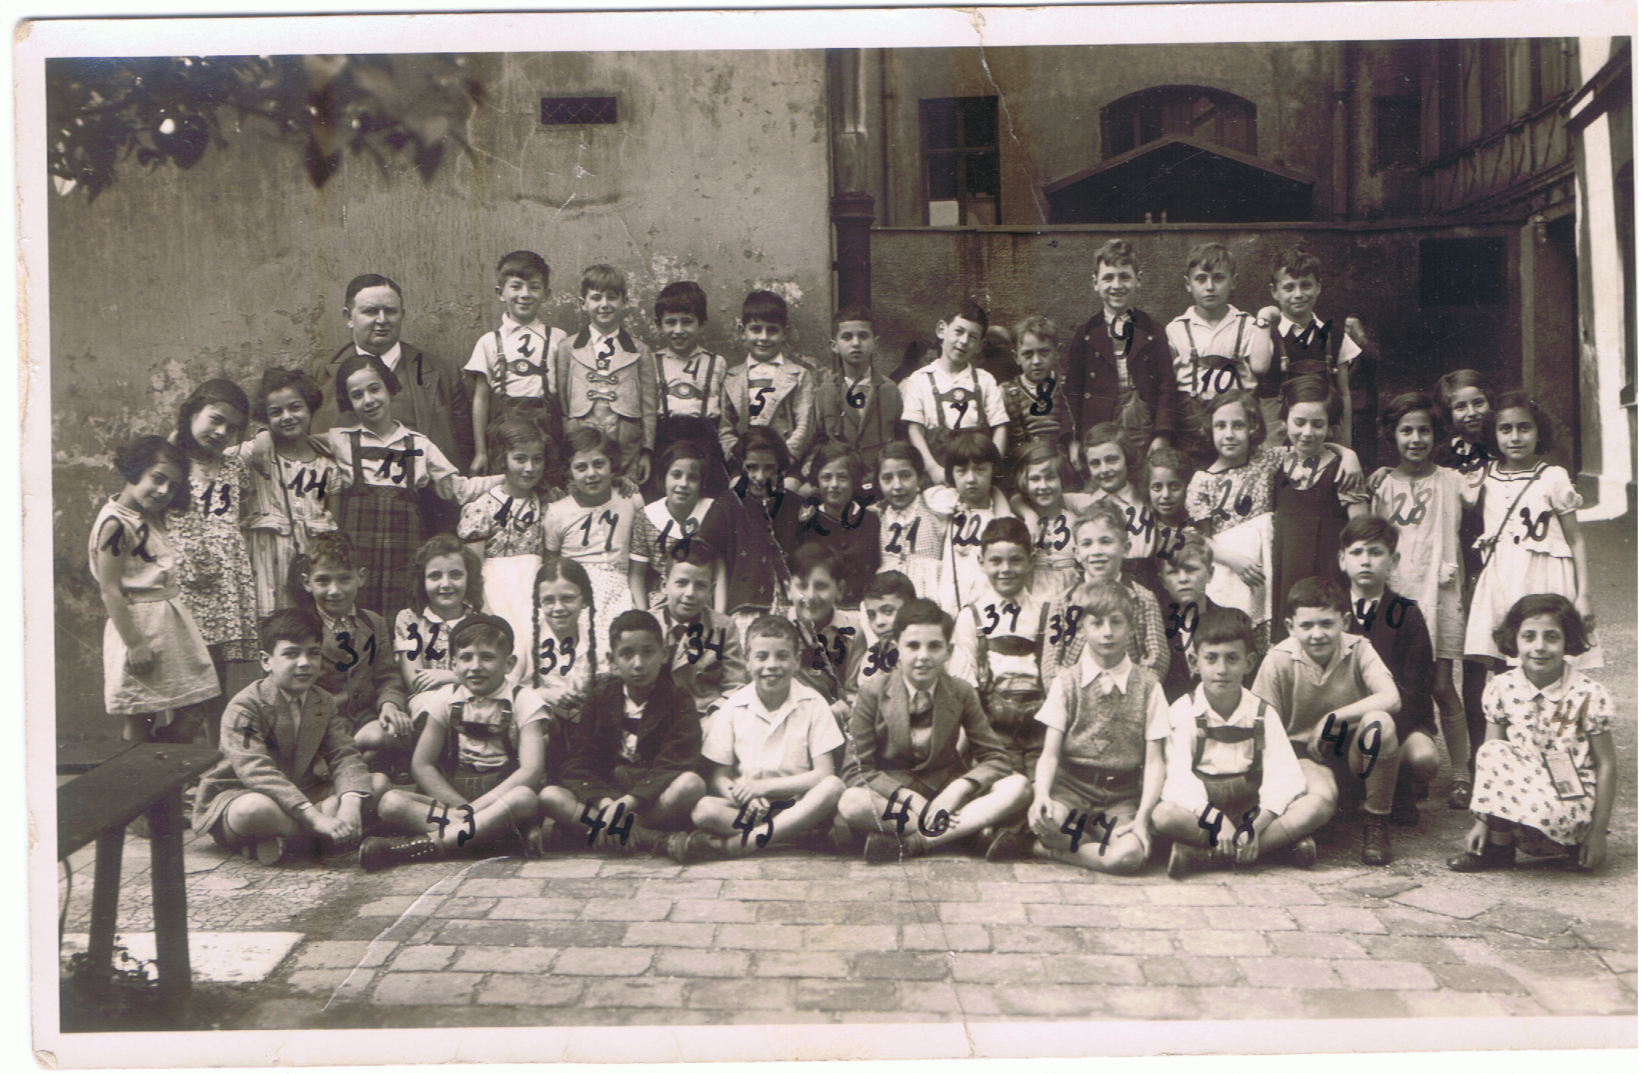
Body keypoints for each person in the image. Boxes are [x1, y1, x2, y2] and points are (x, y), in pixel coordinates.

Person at [838, 598, 1030, 863]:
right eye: (913, 646)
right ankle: (962, 832)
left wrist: (959, 789)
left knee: (1019, 786)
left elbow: (996, 758)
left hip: (946, 796)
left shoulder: (961, 692)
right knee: (851, 802)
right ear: (896, 648)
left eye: (934, 646)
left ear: (948, 651)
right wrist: (909, 799)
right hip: (897, 803)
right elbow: (855, 769)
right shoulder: (873, 692)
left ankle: (917, 842)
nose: (923, 656)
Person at [193, 609, 385, 865]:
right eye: (291, 654)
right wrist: (315, 817)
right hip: (250, 792)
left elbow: (343, 753)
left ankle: (290, 841)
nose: (304, 663)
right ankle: (318, 840)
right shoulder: (246, 706)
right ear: (266, 661)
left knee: (377, 783)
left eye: (313, 653)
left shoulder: (322, 700)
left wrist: (350, 803)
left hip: (307, 792)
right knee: (252, 810)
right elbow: (256, 771)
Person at [360, 614, 548, 870]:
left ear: (509, 663)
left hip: (502, 798)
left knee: (524, 798)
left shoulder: (524, 700)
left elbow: (531, 771)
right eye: (466, 657)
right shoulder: (445, 698)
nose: (475, 666)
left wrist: (476, 808)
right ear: (453, 664)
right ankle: (496, 838)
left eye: (487, 657)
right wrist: (462, 807)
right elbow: (422, 765)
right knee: (391, 802)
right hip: (453, 801)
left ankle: (419, 846)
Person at [1449, 594, 1616, 873]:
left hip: (1568, 806)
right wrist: (1482, 822)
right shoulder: (1502, 687)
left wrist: (1598, 833)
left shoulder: (1589, 693)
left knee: (1556, 799)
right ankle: (1499, 848)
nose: (1539, 647)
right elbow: (1491, 763)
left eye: (1551, 637)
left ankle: (1574, 847)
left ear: (1568, 640)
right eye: (1529, 636)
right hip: (1519, 803)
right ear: (1514, 640)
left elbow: (1607, 764)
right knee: (1492, 750)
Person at [320, 352, 489, 622]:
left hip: (404, 553)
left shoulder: (419, 445)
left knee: (402, 618)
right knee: (358, 621)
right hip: (358, 555)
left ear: (389, 387)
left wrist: (507, 480)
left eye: (375, 389)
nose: (368, 400)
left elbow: (458, 489)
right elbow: (295, 442)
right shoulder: (339, 441)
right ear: (348, 402)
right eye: (357, 395)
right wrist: (263, 436)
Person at [1154, 605, 1322, 877]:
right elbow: (1177, 780)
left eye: (1232, 658)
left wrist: (1257, 823)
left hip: (1251, 810)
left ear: (1249, 663)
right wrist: (1215, 820)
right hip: (1204, 815)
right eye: (1211, 659)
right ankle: (1274, 850)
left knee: (1315, 805)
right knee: (1163, 815)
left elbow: (1285, 776)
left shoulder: (1262, 712)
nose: (1221, 669)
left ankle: (1207, 856)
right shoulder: (1183, 711)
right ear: (1195, 662)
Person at [669, 615, 847, 862]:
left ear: (796, 661)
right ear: (747, 661)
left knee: (833, 787)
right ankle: (791, 834)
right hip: (753, 808)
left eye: (782, 656)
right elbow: (719, 777)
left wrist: (763, 787)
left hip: (799, 803)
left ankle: (747, 842)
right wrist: (742, 796)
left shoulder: (813, 703)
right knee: (704, 810)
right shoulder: (733, 707)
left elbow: (823, 774)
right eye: (761, 657)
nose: (771, 665)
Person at [1252, 577, 1402, 865]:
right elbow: (1262, 727)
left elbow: (1391, 697)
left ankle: (1376, 822)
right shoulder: (1278, 659)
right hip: (1304, 755)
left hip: (1351, 752)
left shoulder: (1359, 648)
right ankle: (1268, 843)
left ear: (1344, 621)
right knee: (1322, 799)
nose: (1317, 634)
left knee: (1380, 723)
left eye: (1326, 624)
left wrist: (1332, 718)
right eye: (1307, 626)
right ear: (1290, 627)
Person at [312, 274, 471, 540]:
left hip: (427, 522)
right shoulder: (319, 375)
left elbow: (464, 450)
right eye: (370, 311)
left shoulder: (440, 372)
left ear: (403, 315)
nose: (382, 320)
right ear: (348, 317)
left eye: (391, 311)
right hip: (344, 520)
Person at [1026, 581, 1170, 874]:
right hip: (1070, 788)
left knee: (1129, 856)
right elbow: (1050, 754)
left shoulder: (1149, 686)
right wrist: (1041, 795)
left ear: (1131, 628)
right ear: (1081, 629)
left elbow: (1155, 761)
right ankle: (1079, 844)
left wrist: (1142, 818)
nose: (1107, 632)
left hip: (1120, 796)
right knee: (1048, 822)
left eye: (1116, 622)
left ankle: (1058, 851)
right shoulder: (1066, 682)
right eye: (1097, 623)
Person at [1367, 393, 1468, 797]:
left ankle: (1461, 774)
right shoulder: (1382, 485)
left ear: (1436, 434)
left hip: (1439, 593)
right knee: (1397, 682)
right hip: (1399, 598)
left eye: (1424, 430)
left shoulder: (1452, 480)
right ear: (1392, 435)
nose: (1415, 439)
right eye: (1406, 430)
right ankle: (1399, 774)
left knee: (1442, 686)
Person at [539, 610, 707, 852]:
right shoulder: (599, 698)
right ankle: (652, 839)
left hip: (651, 802)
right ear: (612, 659)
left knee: (691, 784)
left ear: (663, 654)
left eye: (648, 652)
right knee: (550, 796)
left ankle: (601, 831)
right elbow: (579, 761)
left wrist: (625, 806)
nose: (638, 664)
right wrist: (606, 804)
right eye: (627, 654)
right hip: (608, 796)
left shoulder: (678, 698)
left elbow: (677, 761)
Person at [91, 435, 219, 744]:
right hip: (140, 627)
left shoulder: (148, 514)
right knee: (142, 714)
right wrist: (135, 644)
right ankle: (138, 770)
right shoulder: (116, 524)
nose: (164, 491)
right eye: (157, 479)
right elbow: (109, 590)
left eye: (172, 486)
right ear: (136, 469)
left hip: (169, 625)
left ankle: (164, 758)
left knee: (196, 705)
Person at [1463, 392, 1599, 673]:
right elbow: (1437, 479)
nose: (1515, 437)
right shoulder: (1482, 475)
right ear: (1494, 433)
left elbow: (1575, 538)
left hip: (1546, 577)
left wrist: (1583, 595)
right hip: (1502, 578)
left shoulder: (1553, 477)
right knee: (1507, 657)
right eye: (1505, 429)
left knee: (1550, 655)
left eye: (1524, 428)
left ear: (1539, 432)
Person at [1339, 515, 1444, 830]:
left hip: (1396, 722)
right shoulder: (1332, 611)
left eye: (1376, 552)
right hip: (1344, 721)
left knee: (1425, 757)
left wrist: (1385, 736)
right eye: (1357, 552)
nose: (1366, 561)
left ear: (1393, 560)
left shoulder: (1406, 613)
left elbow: (1416, 690)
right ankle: (1352, 789)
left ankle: (1397, 787)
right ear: (1342, 559)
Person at [1431, 369, 1496, 809]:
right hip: (1465, 569)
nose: (1471, 412)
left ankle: (1512, 761)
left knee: (1507, 668)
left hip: (1504, 566)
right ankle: (1474, 764)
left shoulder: (1508, 444)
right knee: (1472, 676)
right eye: (1460, 405)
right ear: (1448, 412)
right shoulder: (1442, 458)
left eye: (1478, 402)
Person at [167, 379, 260, 681]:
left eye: (231, 428)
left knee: (215, 676)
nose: (221, 432)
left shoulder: (233, 468)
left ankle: (216, 715)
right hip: (182, 585)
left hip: (222, 589)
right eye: (215, 420)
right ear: (192, 412)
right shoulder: (168, 464)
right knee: (181, 673)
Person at [294, 531, 411, 768]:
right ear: (307, 583)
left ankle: (346, 757)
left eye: (344, 579)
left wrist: (389, 705)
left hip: (365, 723)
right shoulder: (300, 627)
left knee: (395, 732)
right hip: (320, 725)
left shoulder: (374, 623)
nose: (334, 590)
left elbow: (388, 677)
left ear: (361, 577)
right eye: (323, 581)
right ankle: (353, 759)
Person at [1268, 374, 1369, 644]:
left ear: (1330, 425)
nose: (1307, 432)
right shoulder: (1275, 464)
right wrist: (1346, 450)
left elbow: (1362, 531)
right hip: (1288, 571)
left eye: (1318, 424)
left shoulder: (1343, 469)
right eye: (1299, 422)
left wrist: (1347, 454)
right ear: (1285, 420)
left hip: (1329, 573)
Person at [1063, 239, 1179, 462]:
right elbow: (1072, 391)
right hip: (1099, 426)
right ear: (1095, 283)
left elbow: (1166, 386)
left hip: (1142, 425)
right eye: (1108, 278)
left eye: (1125, 277)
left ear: (1138, 280)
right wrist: (1073, 439)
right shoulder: (1085, 333)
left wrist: (1162, 435)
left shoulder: (1153, 330)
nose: (1116, 285)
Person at [1254, 247, 1378, 455]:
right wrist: (1264, 319)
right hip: (1277, 442)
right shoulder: (1265, 334)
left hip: (1323, 439)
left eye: (1306, 285)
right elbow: (1257, 370)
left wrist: (1346, 444)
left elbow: (1344, 393)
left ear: (1318, 287)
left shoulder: (1334, 335)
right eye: (1289, 287)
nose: (1298, 294)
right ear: (1274, 291)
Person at [460, 411, 554, 684]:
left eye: (537, 459)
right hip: (497, 588)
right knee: (510, 648)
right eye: (520, 459)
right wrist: (483, 605)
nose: (530, 468)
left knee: (540, 648)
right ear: (503, 459)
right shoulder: (484, 506)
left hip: (534, 585)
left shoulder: (548, 501)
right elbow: (473, 567)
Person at [541, 426, 646, 667]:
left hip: (619, 589)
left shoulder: (630, 500)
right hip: (575, 592)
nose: (591, 474)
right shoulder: (558, 512)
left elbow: (640, 556)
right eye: (581, 467)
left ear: (613, 465)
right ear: (569, 472)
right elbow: (550, 564)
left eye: (599, 464)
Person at [243, 368, 339, 619]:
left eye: (295, 407)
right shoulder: (257, 454)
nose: (287, 417)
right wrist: (261, 434)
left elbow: (335, 526)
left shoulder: (327, 464)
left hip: (310, 568)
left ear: (310, 408)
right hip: (265, 568)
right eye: (276, 412)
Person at [1163, 243, 1274, 462]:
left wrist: (1264, 320)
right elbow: (1167, 385)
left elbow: (1261, 368)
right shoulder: (1176, 329)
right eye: (1201, 279)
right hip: (1192, 427)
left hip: (1238, 425)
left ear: (1233, 281)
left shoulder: (1248, 325)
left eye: (1218, 278)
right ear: (1188, 284)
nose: (1210, 287)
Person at [550, 264, 657, 484]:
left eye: (612, 297)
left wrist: (646, 450)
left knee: (625, 491)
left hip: (625, 439)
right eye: (596, 298)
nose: (604, 304)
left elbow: (648, 407)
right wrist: (568, 432)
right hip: (582, 435)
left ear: (624, 301)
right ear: (583, 303)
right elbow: (562, 402)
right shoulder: (567, 348)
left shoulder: (640, 350)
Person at [466, 251, 566, 474]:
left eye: (534, 287)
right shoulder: (489, 342)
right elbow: (481, 399)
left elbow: (567, 395)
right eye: (516, 286)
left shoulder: (559, 339)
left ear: (546, 294)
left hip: (548, 438)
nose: (525, 294)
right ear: (500, 293)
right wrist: (481, 452)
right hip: (503, 439)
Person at [1051, 500, 1170, 684]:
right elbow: (1051, 664)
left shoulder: (1143, 598)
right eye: (1087, 544)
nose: (1096, 551)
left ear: (1126, 548)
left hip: (1130, 692)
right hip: (1076, 694)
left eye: (1105, 541)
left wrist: (1132, 693)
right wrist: (1070, 693)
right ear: (1076, 553)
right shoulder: (1063, 602)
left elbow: (1157, 659)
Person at [901, 299, 1008, 476]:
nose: (964, 341)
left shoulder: (985, 380)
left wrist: (991, 468)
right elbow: (915, 430)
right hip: (937, 475)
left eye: (973, 337)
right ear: (941, 330)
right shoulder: (920, 380)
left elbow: (1000, 427)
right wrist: (933, 469)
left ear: (979, 346)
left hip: (979, 476)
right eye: (959, 331)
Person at [630, 439, 735, 611]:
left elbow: (719, 570)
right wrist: (644, 614)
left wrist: (719, 615)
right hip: (662, 599)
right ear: (664, 477)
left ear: (702, 482)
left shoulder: (713, 512)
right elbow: (637, 574)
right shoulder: (646, 516)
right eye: (676, 475)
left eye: (692, 478)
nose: (683, 484)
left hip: (702, 597)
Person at [719, 289, 817, 473]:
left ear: (784, 333)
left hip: (784, 465)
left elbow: (804, 426)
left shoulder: (799, 375)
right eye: (756, 329)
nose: (763, 338)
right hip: (745, 465)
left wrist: (786, 459)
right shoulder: (731, 376)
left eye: (772, 330)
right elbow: (725, 426)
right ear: (742, 331)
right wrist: (738, 459)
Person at [926, 431, 1015, 612]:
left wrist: (998, 498)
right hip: (950, 603)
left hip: (989, 605)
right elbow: (928, 497)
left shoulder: (1000, 519)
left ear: (993, 470)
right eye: (961, 471)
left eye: (980, 469)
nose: (971, 479)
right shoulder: (945, 508)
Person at [1156, 528, 1249, 703]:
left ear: (1210, 574)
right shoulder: (1156, 624)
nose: (1183, 579)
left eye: (1191, 569)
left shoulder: (1233, 622)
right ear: (1163, 581)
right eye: (1173, 572)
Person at [811, 306, 902, 482]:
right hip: (840, 479)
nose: (856, 343)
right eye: (847, 337)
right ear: (834, 346)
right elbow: (819, 439)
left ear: (875, 343)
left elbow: (900, 437)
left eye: (863, 336)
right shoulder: (826, 390)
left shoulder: (890, 390)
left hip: (880, 478)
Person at [657, 545, 748, 721]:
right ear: (664, 585)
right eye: (681, 583)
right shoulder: (647, 624)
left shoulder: (723, 628)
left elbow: (736, 685)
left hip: (705, 717)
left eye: (700, 585)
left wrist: (715, 716)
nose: (690, 593)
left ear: (711, 591)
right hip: (658, 718)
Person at [651, 280, 730, 479]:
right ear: (659, 325)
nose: (678, 330)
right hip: (664, 445)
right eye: (670, 322)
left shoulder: (716, 363)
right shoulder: (652, 362)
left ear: (701, 323)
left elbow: (725, 419)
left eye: (687, 321)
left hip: (704, 446)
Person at [394, 535, 482, 698]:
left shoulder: (477, 623)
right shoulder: (409, 620)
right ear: (422, 580)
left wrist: (449, 676)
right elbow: (415, 682)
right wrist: (462, 680)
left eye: (455, 575)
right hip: (424, 702)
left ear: (469, 578)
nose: (445, 584)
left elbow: (484, 680)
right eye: (435, 576)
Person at [787, 542, 867, 720]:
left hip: (835, 719)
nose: (810, 596)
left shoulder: (852, 632)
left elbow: (854, 691)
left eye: (821, 586)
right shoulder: (778, 630)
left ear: (840, 590)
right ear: (787, 590)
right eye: (802, 586)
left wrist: (841, 708)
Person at [797, 442, 881, 607]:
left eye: (843, 477)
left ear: (854, 480)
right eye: (826, 477)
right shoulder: (808, 523)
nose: (834, 484)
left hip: (864, 610)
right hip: (823, 610)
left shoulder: (871, 520)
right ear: (817, 480)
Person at [1008, 439, 1094, 600]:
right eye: (1035, 479)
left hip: (1071, 595)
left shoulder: (1074, 519)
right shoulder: (1021, 522)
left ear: (1061, 479)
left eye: (1050, 477)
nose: (1043, 486)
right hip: (1032, 596)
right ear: (1024, 483)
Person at [997, 316, 1075, 480]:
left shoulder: (1068, 388)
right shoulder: (1006, 392)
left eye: (1044, 352)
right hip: (1024, 475)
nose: (1036, 361)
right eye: (1027, 354)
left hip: (1063, 473)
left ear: (1057, 351)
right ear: (1016, 357)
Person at [869, 442, 943, 600]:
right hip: (890, 595)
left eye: (905, 475)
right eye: (887, 478)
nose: (897, 486)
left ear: (921, 478)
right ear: (878, 483)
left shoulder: (933, 506)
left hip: (928, 592)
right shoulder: (879, 515)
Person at [859, 570, 917, 680]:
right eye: (872, 615)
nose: (879, 622)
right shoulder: (871, 659)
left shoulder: (929, 648)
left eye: (888, 611)